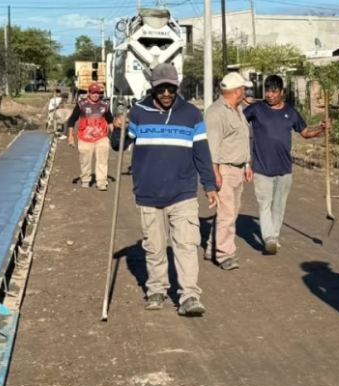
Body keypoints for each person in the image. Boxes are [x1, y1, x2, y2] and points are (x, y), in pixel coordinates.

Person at [110, 63, 218, 316]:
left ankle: (189, 296)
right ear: (153, 88)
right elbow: (119, 146)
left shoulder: (191, 114)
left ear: (176, 86)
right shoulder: (138, 112)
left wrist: (210, 186)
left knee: (186, 245)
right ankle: (156, 289)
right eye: (161, 89)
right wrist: (118, 128)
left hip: (183, 192)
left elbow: (202, 153)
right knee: (155, 246)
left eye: (171, 88)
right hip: (148, 193)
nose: (167, 93)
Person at [244, 75, 331, 254]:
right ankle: (269, 237)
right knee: (264, 204)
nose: (270, 95)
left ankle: (273, 236)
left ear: (282, 92)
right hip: (261, 167)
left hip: (284, 168)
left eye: (274, 91)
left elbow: (305, 132)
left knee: (279, 206)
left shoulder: (290, 112)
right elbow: (237, 121)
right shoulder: (256, 109)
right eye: (267, 91)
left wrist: (322, 129)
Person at [204, 73, 253, 270]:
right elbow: (212, 147)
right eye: (244, 88)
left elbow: (242, 139)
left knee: (229, 213)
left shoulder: (238, 110)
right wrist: (214, 173)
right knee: (226, 214)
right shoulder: (216, 113)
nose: (245, 91)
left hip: (238, 169)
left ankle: (212, 248)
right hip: (224, 169)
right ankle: (225, 254)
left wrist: (247, 165)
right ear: (236, 90)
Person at [67, 83, 114, 190]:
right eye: (93, 93)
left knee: (102, 160)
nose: (95, 95)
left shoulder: (105, 105)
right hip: (85, 138)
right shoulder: (81, 104)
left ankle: (101, 181)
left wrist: (115, 135)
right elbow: (72, 120)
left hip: (101, 137)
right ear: (89, 93)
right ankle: (85, 179)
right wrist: (70, 136)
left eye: (97, 92)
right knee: (85, 160)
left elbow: (110, 121)